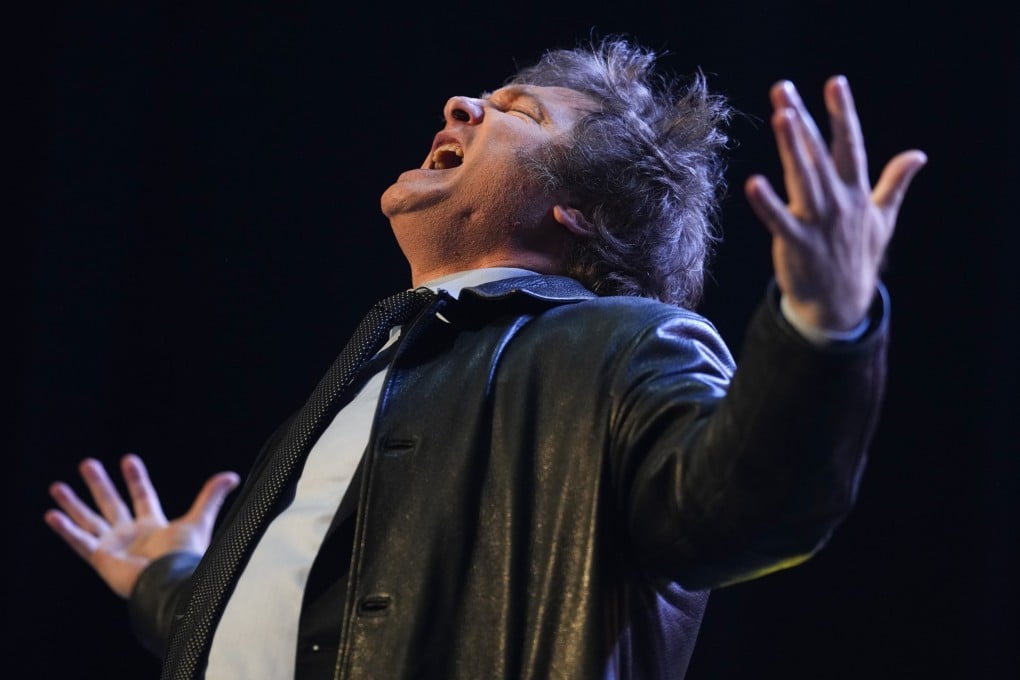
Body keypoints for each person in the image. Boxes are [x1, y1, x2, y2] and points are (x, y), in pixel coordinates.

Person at [44, 36, 926, 680]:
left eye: (518, 113)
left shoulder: (625, 346)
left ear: (577, 211)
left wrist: (822, 323)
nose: (462, 105)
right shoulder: (380, 370)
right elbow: (308, 611)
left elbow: (743, 507)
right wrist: (167, 577)